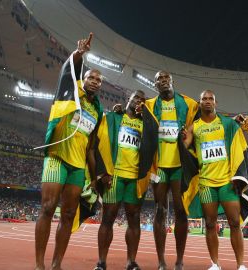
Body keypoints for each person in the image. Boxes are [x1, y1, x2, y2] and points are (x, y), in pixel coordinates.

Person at [35, 33, 104, 270]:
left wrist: (94, 178)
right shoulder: (70, 90)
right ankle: (39, 265)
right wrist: (78, 55)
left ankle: (56, 264)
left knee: (67, 215)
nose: (95, 81)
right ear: (83, 79)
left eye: (99, 80)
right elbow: (68, 72)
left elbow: (91, 146)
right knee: (47, 207)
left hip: (77, 166)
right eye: (91, 77)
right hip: (56, 157)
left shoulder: (97, 111)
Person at [182, 90, 248, 270]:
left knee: (235, 224)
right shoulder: (194, 127)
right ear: (199, 103)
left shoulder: (226, 123)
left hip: (226, 183)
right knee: (209, 224)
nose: (207, 101)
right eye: (204, 99)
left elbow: (239, 140)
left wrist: (240, 123)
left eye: (210, 99)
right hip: (206, 184)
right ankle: (215, 264)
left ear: (216, 102)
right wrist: (181, 138)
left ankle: (241, 265)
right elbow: (183, 149)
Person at [142, 70, 199, 270]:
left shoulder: (189, 104)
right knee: (160, 211)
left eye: (166, 78)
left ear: (172, 80)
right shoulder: (149, 106)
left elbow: (204, 122)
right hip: (159, 167)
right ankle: (161, 261)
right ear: (155, 84)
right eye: (159, 79)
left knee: (181, 211)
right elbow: (132, 116)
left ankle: (179, 260)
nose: (163, 81)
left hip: (179, 166)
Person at [93, 90, 147, 270]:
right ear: (128, 99)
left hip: (134, 178)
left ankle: (131, 262)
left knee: (134, 219)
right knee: (108, 218)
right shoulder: (113, 118)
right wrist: (103, 172)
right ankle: (101, 262)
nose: (138, 101)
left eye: (142, 100)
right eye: (135, 97)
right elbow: (99, 143)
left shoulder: (145, 125)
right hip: (114, 175)